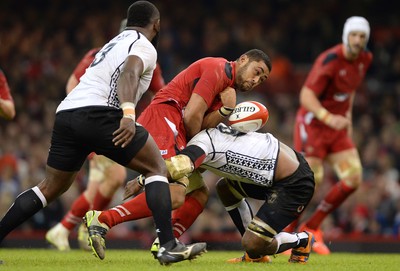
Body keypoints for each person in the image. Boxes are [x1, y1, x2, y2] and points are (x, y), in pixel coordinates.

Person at [0, 1, 206, 266]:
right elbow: (129, 73)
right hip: (101, 113)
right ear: (157, 24)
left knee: (50, 187)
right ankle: (167, 245)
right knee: (156, 168)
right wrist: (129, 115)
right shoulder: (143, 44)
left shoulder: (113, 42)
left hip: (67, 114)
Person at [83, 48, 272, 260]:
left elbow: (200, 123)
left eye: (262, 79)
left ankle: (164, 239)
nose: (256, 80)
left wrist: (224, 112)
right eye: (257, 71)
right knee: (176, 194)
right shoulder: (218, 68)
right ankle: (106, 220)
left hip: (176, 130)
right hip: (165, 118)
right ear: (243, 59)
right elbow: (191, 116)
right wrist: (190, 155)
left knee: (199, 192)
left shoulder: (228, 91)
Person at [95, 118, 316, 264]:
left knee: (253, 243)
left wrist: (142, 180)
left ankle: (302, 240)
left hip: (293, 182)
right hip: (268, 175)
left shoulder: (203, 142)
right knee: (224, 188)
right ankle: (255, 257)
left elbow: (180, 165)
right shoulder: (209, 134)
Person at [45, 19, 166, 252]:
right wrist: (90, 111)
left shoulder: (142, 57)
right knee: (114, 177)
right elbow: (73, 83)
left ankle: (64, 229)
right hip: (100, 123)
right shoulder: (100, 54)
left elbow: (160, 93)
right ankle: (79, 226)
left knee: (100, 185)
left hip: (115, 124)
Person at [289, 16, 373, 255]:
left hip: (336, 127)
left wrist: (348, 119)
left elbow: (350, 90)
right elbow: (306, 96)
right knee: (310, 181)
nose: (358, 40)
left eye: (362, 36)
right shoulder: (330, 59)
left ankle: (312, 227)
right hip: (314, 124)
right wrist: (328, 117)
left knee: (354, 178)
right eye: (354, 35)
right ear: (346, 36)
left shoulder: (365, 58)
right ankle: (286, 234)